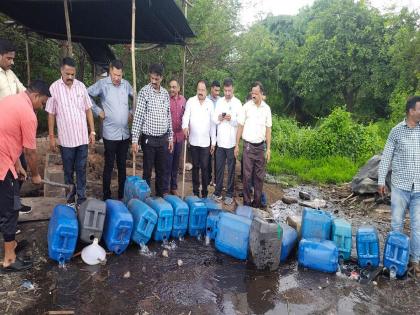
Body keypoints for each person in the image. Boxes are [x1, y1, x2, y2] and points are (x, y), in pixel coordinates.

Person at [0, 80, 50, 271]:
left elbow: (8, 136)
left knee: (6, 205)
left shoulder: (11, 101)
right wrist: (35, 175)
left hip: (5, 157)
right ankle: (9, 259)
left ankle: (10, 244)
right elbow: (30, 151)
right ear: (36, 96)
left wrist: (18, 165)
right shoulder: (28, 114)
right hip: (1, 162)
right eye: (43, 102)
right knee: (11, 208)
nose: (42, 107)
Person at [378, 95, 420, 278]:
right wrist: (381, 180)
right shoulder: (396, 131)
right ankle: (395, 259)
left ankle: (415, 261)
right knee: (397, 224)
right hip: (400, 187)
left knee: (418, 227)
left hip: (418, 188)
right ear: (412, 111)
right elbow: (386, 156)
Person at [46, 57, 96, 208]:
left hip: (81, 138)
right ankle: (69, 200)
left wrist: (92, 131)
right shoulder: (54, 88)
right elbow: (51, 114)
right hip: (66, 139)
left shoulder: (81, 87)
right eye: (67, 73)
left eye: (72, 74)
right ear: (61, 70)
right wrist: (52, 137)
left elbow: (88, 110)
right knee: (68, 171)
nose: (70, 77)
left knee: (81, 170)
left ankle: (81, 200)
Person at [88, 60, 133, 201]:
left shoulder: (126, 85)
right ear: (110, 72)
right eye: (114, 75)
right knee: (109, 166)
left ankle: (121, 196)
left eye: (119, 75)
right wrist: (97, 111)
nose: (117, 78)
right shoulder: (103, 84)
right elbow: (86, 94)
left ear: (122, 73)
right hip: (109, 134)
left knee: (122, 167)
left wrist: (132, 111)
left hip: (124, 134)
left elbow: (137, 98)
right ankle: (106, 196)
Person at [0, 38, 32, 215]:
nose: (12, 62)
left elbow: (24, 91)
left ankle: (14, 204)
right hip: (2, 133)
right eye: (8, 58)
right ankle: (6, 210)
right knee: (6, 175)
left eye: (13, 58)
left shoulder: (10, 74)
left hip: (15, 132)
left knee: (20, 170)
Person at [131, 64, 173, 197]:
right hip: (148, 139)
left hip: (163, 139)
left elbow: (168, 116)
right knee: (147, 171)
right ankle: (146, 198)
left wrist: (170, 137)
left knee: (162, 170)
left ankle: (160, 198)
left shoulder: (165, 93)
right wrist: (134, 140)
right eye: (152, 78)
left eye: (156, 79)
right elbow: (138, 117)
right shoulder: (144, 92)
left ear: (161, 78)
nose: (154, 81)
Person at [234, 81, 272, 208]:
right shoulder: (246, 107)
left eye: (256, 93)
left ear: (261, 93)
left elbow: (268, 130)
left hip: (261, 147)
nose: (253, 95)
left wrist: (268, 149)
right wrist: (236, 145)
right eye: (252, 93)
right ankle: (246, 202)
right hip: (248, 146)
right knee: (247, 175)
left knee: (259, 177)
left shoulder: (266, 109)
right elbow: (240, 126)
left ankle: (256, 203)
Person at [211, 78, 242, 205]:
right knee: (219, 168)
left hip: (231, 142)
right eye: (225, 90)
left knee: (231, 169)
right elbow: (214, 119)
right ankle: (217, 192)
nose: (227, 93)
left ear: (233, 89)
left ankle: (229, 193)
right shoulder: (219, 102)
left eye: (229, 90)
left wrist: (231, 118)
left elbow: (240, 122)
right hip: (221, 141)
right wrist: (219, 118)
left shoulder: (237, 103)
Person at [182, 80, 216, 198]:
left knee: (205, 167)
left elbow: (212, 124)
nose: (200, 92)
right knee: (195, 167)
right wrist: (185, 126)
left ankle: (205, 192)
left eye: (202, 90)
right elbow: (186, 116)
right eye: (199, 89)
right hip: (194, 141)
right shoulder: (191, 101)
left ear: (206, 91)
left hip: (206, 142)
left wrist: (213, 142)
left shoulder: (210, 104)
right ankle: (196, 191)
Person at [164, 79, 186, 196]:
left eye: (174, 87)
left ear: (178, 88)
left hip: (180, 136)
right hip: (169, 137)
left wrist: (187, 129)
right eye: (170, 87)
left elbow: (186, 116)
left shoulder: (183, 100)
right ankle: (165, 188)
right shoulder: (166, 99)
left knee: (176, 163)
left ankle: (174, 186)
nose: (171, 89)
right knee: (168, 162)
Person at [207, 80, 220, 186]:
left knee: (217, 157)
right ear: (211, 89)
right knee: (207, 157)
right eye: (215, 90)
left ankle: (215, 180)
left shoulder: (220, 101)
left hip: (218, 133)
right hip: (208, 133)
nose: (217, 93)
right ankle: (208, 178)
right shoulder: (206, 100)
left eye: (218, 91)